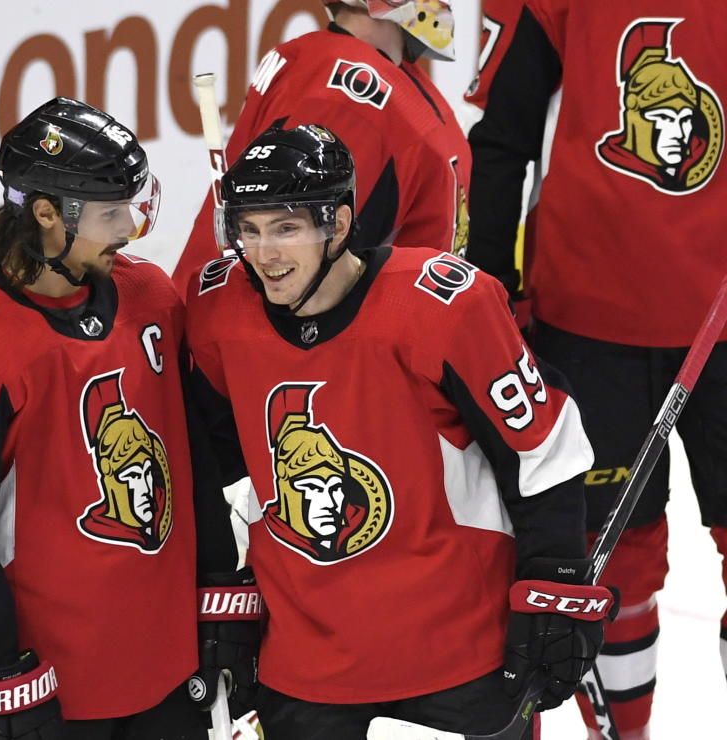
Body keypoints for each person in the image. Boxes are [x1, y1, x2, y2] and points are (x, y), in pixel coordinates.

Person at [183, 123, 616, 739]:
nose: (264, 255)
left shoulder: (445, 307)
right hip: (304, 669)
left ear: (335, 223)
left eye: (286, 229)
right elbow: (212, 464)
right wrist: (227, 590)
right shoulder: (221, 312)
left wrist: (556, 581)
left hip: (457, 659)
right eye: (248, 231)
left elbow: (541, 448)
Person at [0, 97, 208, 740]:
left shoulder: (150, 295)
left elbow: (200, 455)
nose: (127, 227)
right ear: (44, 215)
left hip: (165, 667)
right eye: (109, 212)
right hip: (49, 691)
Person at [465, 2, 727, 737]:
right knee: (614, 557)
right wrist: (490, 294)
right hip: (589, 322)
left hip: (721, 319)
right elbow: (502, 136)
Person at [171, 0, 471, 292]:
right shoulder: (346, 98)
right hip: (255, 327)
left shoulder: (337, 61)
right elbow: (297, 265)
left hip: (393, 324)